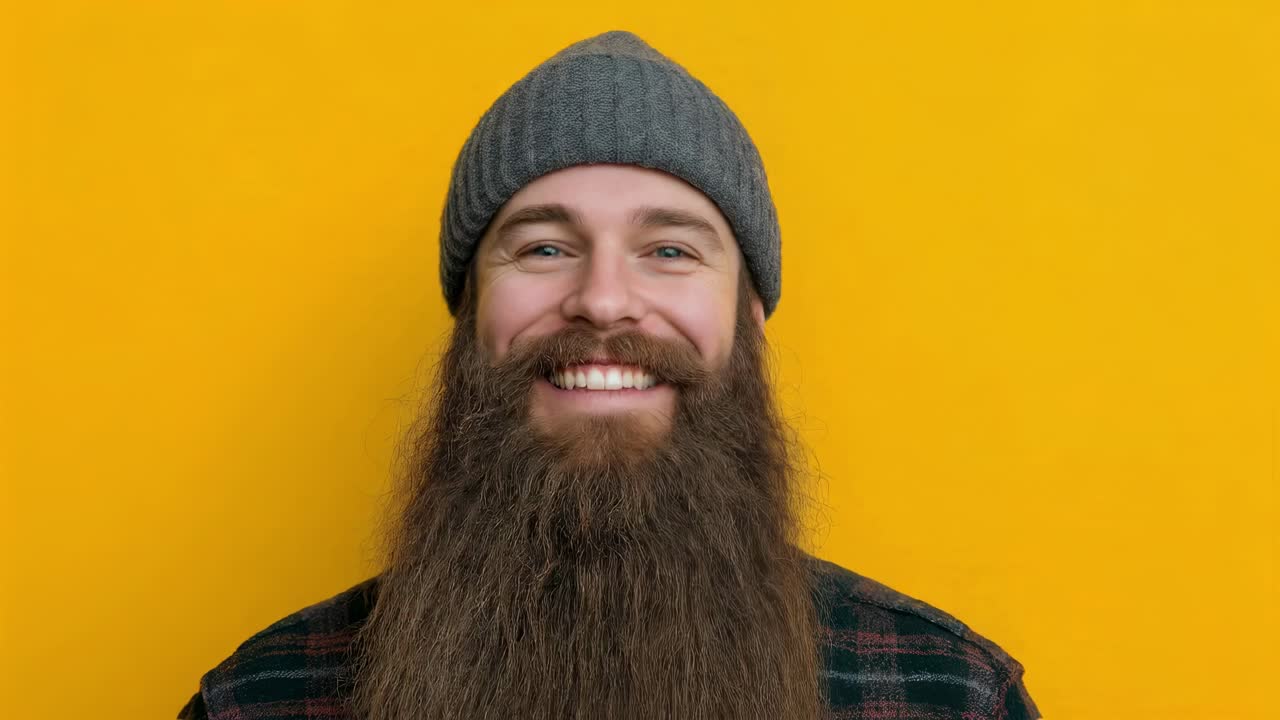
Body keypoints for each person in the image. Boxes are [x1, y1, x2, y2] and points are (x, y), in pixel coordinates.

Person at [178, 30, 1039, 720]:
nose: (602, 300)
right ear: (469, 317)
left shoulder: (948, 696)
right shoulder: (260, 700)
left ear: (748, 321)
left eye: (669, 250)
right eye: (545, 248)